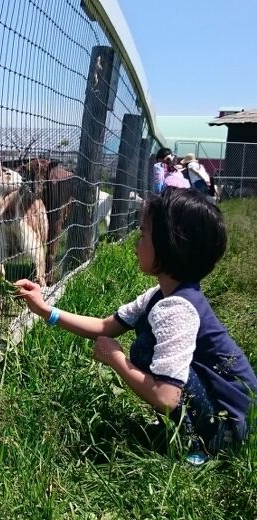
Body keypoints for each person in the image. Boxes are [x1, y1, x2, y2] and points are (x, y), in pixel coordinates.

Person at [14, 188, 256, 460]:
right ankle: (184, 431)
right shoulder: (162, 295)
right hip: (225, 411)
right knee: (147, 351)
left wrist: (116, 359)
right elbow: (106, 326)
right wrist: (46, 310)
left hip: (230, 429)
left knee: (142, 351)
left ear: (169, 244)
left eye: (143, 235)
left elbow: (167, 396)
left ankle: (198, 446)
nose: (136, 244)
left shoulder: (177, 309)